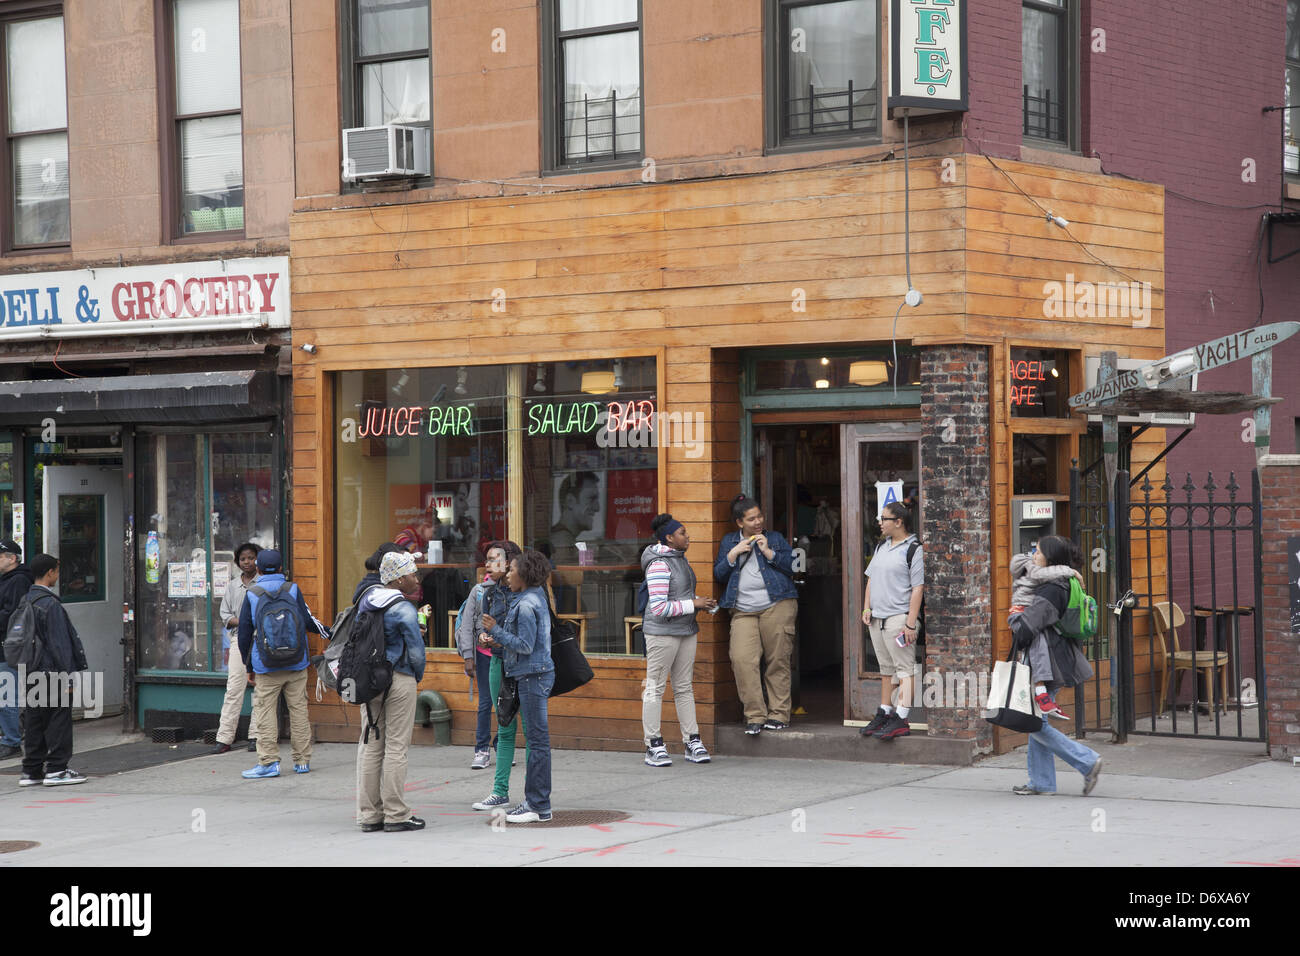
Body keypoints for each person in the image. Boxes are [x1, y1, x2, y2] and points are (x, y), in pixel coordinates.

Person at [1008, 535, 1102, 796]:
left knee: (1034, 722)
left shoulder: (1052, 589)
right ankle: (1042, 782)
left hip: (1046, 662)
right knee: (1036, 718)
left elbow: (1029, 626)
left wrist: (1015, 621)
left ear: (1049, 557)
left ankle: (1086, 761)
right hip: (1054, 657)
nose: (1034, 555)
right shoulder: (1063, 581)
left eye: (1037, 552)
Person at [713, 494, 798, 735]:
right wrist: (733, 554)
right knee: (741, 660)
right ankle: (755, 716)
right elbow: (719, 574)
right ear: (739, 522)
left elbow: (795, 566)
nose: (758, 521)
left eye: (760, 516)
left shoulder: (775, 538)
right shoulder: (729, 541)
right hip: (742, 609)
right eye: (752, 519)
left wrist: (769, 552)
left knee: (777, 660)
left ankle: (779, 714)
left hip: (777, 603)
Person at [356, 551, 428, 832]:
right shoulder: (404, 608)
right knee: (396, 747)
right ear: (398, 579)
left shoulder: (367, 600)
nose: (417, 579)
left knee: (371, 745)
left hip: (368, 680)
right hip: (398, 678)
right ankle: (396, 814)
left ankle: (369, 815)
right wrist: (416, 676)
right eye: (412, 574)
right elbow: (417, 653)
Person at [480, 549, 554, 823]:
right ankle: (537, 803)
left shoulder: (525, 604)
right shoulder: (532, 597)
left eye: (511, 570)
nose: (507, 574)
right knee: (536, 740)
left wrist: (496, 630)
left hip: (532, 675)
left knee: (537, 741)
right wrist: (499, 639)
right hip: (533, 672)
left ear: (524, 574)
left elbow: (525, 645)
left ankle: (537, 805)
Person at [640, 513, 716, 767]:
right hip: (662, 633)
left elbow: (679, 598)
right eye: (683, 533)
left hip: (685, 630)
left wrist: (700, 605)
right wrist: (693, 603)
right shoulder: (659, 563)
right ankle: (653, 743)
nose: (688, 536)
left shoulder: (679, 559)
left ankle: (692, 740)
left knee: (684, 687)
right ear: (669, 538)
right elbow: (659, 607)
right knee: (655, 688)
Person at [237, 549, 315, 779]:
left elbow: (244, 634)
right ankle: (302, 761)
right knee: (299, 710)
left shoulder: (252, 592)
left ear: (258, 569)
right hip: (296, 662)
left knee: (265, 712)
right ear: (282, 568)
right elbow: (307, 621)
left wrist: (248, 665)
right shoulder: (293, 589)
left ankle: (269, 762)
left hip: (266, 664)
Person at [18, 554, 89, 787]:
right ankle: (57, 769)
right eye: (57, 572)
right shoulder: (50, 604)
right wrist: (68, 677)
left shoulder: (25, 600)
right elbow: (60, 644)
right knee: (58, 720)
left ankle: (31, 770)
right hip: (52, 671)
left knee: (34, 720)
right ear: (50, 573)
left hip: (30, 670)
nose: (58, 576)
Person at [859, 501, 924, 740]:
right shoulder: (881, 547)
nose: (880, 522)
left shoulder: (914, 549)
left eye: (884, 519)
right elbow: (871, 579)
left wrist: (910, 623)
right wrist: (867, 607)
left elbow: (918, 588)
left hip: (898, 618)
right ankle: (885, 711)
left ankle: (902, 717)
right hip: (878, 618)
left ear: (898, 522)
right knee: (886, 670)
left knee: (904, 670)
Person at [456, 541, 517, 773]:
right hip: (484, 656)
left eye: (494, 559)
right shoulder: (479, 591)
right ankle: (481, 749)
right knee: (485, 703)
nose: (488, 564)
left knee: (508, 703)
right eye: (487, 559)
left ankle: (502, 745)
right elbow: (468, 624)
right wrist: (469, 656)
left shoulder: (515, 591)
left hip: (508, 654)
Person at [213, 542, 261, 755]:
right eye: (243, 559)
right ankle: (224, 738)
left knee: (260, 689)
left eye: (251, 558)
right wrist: (243, 622)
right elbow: (225, 615)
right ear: (237, 562)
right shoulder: (232, 586)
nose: (247, 562)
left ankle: (256, 735)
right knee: (234, 688)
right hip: (237, 641)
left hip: (261, 641)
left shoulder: (264, 584)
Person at [0, 538, 35, 759]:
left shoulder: (19, 580)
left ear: (12, 558)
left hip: (9, 648)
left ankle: (11, 740)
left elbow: (13, 615)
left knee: (6, 695)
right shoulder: (6, 580)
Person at [550, 471, 599, 553]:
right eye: (591, 498)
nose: (597, 508)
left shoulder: (564, 539)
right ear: (570, 501)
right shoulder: (562, 541)